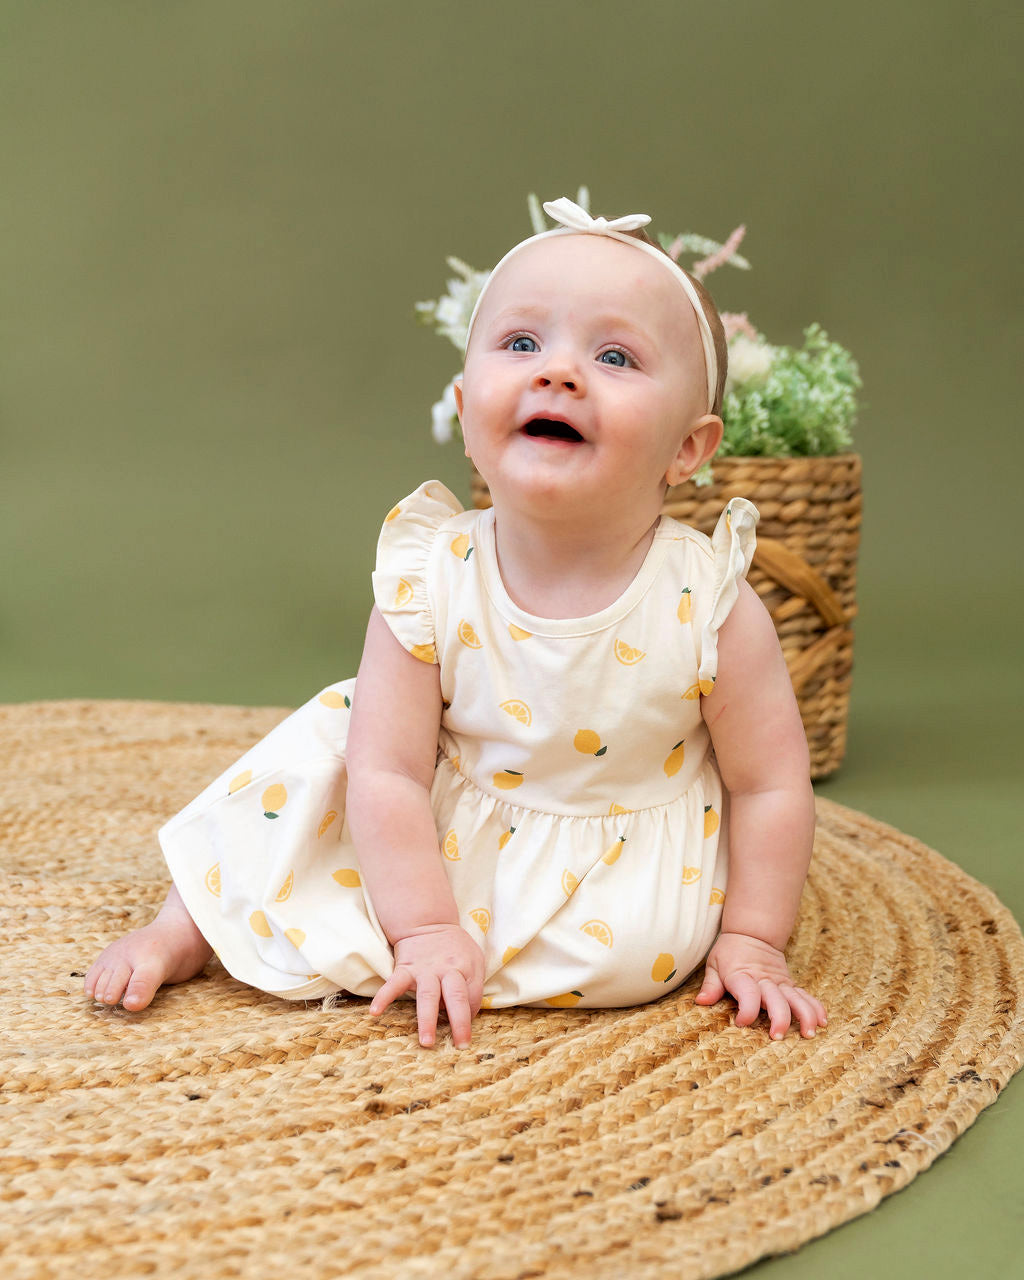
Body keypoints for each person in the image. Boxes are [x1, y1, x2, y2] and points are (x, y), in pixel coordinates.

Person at [85, 197, 826, 1050]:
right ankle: (191, 924)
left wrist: (755, 940)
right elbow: (390, 773)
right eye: (521, 344)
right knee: (337, 736)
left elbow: (769, 784)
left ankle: (440, 937)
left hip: (624, 903)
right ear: (467, 408)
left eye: (615, 356)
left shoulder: (709, 603)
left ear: (689, 450)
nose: (558, 373)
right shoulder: (430, 575)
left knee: (627, 935)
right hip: (428, 842)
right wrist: (427, 927)